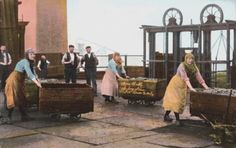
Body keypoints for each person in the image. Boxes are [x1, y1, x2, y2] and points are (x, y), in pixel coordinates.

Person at [162, 53, 209, 126]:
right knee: (175, 101)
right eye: (188, 59)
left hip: (183, 85)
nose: (190, 60)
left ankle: (166, 116)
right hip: (175, 84)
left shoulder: (194, 67)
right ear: (186, 59)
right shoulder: (182, 65)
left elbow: (199, 78)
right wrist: (191, 88)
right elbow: (185, 78)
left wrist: (207, 88)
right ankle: (177, 120)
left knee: (179, 101)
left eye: (192, 59)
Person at [5, 49, 42, 123]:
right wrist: (37, 83)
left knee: (21, 97)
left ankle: (24, 116)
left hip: (19, 80)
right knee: (13, 97)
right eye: (31, 54)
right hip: (13, 80)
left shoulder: (31, 62)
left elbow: (33, 72)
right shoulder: (25, 61)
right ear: (27, 55)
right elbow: (29, 74)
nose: (33, 55)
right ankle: (8, 117)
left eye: (33, 54)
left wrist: (38, 80)